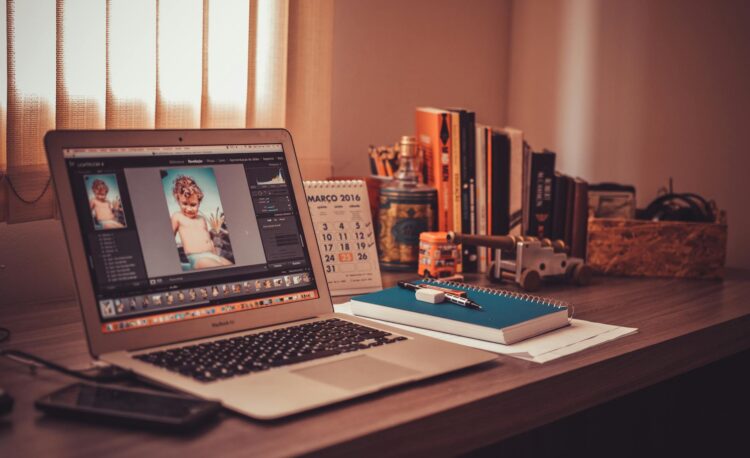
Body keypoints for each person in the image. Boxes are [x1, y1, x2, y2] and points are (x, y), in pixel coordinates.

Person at [170, 175, 232, 270]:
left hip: (213, 255)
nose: (189, 208)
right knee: (220, 269)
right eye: (184, 203)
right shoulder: (177, 217)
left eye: (193, 205)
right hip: (198, 258)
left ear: (199, 203)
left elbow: (208, 239)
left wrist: (216, 253)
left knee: (230, 265)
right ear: (178, 200)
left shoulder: (201, 219)